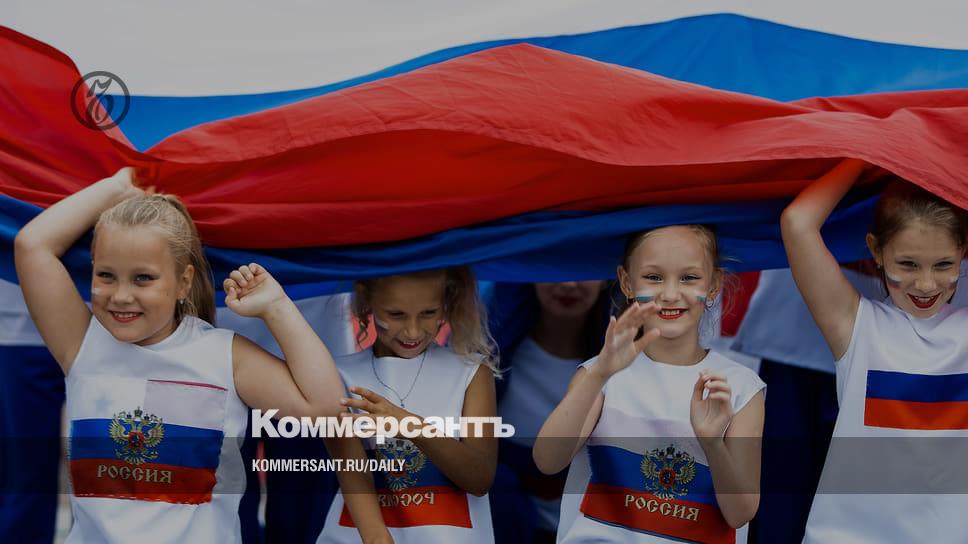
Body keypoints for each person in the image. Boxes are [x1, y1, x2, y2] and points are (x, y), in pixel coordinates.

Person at [13, 167, 376, 543]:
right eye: (106, 275)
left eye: (143, 278)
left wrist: (277, 307)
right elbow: (31, 244)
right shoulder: (82, 345)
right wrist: (118, 185)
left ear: (183, 282)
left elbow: (325, 409)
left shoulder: (224, 355)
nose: (121, 295)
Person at [535, 225, 765, 543]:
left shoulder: (741, 387)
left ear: (714, 285)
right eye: (654, 277)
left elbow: (740, 513)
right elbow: (547, 460)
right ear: (627, 282)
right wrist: (599, 375)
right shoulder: (599, 374)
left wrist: (713, 444)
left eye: (689, 278)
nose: (670, 294)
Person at [781, 159, 968, 543]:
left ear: (964, 253)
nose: (926, 284)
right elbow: (798, 222)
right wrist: (867, 152)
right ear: (875, 251)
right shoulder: (856, 325)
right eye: (908, 264)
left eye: (944, 265)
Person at [317, 268, 498, 544]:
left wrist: (409, 425)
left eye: (428, 313)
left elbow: (480, 478)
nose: (413, 330)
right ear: (365, 300)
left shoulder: (472, 372)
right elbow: (352, 472)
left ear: (447, 302)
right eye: (396, 314)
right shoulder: (338, 375)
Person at [488, 281, 609, 543]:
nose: (568, 284)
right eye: (556, 269)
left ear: (609, 279)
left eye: (582, 270)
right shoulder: (488, 358)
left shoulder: (622, 366)